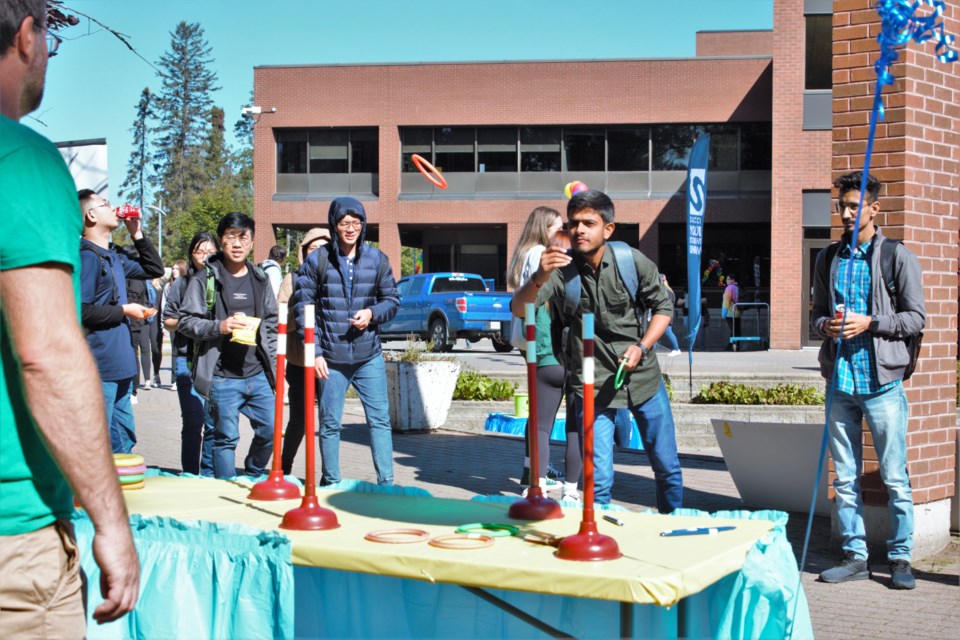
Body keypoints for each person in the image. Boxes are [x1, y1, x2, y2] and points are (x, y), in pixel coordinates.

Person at [0, 2, 139, 633]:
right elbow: (48, 353)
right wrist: (110, 523)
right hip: (15, 535)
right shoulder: (22, 161)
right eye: (52, 37)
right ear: (28, 35)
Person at [510, 189, 683, 512]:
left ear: (608, 229)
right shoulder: (561, 270)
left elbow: (663, 307)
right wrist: (540, 275)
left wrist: (642, 347)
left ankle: (670, 526)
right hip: (593, 384)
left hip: (643, 378)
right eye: (574, 223)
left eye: (589, 223)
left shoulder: (630, 261)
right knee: (598, 479)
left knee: (666, 467)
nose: (579, 230)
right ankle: (597, 539)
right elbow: (520, 309)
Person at [812, 171, 925, 590]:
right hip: (840, 381)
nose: (845, 212)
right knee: (843, 476)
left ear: (875, 209)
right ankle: (855, 555)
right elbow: (816, 313)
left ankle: (900, 558)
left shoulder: (896, 256)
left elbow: (916, 319)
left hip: (882, 386)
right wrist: (826, 325)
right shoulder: (828, 257)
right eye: (841, 205)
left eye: (854, 205)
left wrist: (871, 322)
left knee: (894, 475)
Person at [293, 197, 400, 486]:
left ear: (363, 225)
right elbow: (303, 308)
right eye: (344, 223)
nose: (350, 228)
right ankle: (331, 482)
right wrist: (314, 352)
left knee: (379, 420)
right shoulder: (318, 260)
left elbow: (392, 300)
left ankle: (386, 483)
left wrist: (372, 313)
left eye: (356, 223)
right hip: (330, 357)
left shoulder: (377, 259)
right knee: (330, 424)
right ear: (334, 225)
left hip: (369, 356)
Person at [178, 214, 279, 479]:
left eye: (243, 237)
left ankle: (254, 474)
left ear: (252, 241)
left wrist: (277, 371)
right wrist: (219, 327)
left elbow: (270, 323)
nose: (237, 243)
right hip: (222, 377)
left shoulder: (260, 278)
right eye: (231, 237)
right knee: (225, 439)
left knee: (270, 430)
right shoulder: (204, 280)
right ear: (221, 241)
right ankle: (226, 491)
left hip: (257, 374)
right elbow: (185, 322)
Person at [79, 189, 164, 452]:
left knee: (124, 442)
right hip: (98, 367)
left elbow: (155, 269)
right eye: (106, 204)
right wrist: (125, 310)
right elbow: (80, 310)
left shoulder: (114, 255)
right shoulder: (87, 256)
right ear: (91, 215)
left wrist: (136, 232)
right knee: (99, 446)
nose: (114, 207)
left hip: (122, 365)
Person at [506, 206, 564, 487]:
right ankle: (537, 474)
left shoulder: (525, 251)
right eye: (558, 228)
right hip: (540, 338)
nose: (563, 233)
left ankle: (532, 468)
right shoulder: (540, 254)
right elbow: (540, 296)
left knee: (538, 412)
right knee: (543, 416)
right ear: (544, 228)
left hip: (528, 338)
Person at [529, 230, 582, 501]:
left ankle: (536, 485)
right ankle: (571, 490)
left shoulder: (541, 285)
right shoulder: (577, 284)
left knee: (541, 428)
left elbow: (524, 313)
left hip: (545, 361)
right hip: (575, 362)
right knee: (575, 427)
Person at [163, 234, 218, 475]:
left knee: (214, 424)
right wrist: (192, 323)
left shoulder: (223, 281)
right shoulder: (182, 283)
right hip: (186, 358)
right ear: (191, 254)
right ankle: (190, 474)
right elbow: (168, 320)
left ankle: (206, 473)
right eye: (199, 251)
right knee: (194, 422)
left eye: (209, 251)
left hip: (216, 359)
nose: (205, 256)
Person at [279, 227, 331, 475]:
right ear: (304, 252)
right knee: (299, 421)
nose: (318, 253)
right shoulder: (291, 279)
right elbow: (278, 321)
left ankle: (328, 475)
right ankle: (284, 469)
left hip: (331, 363)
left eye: (323, 248)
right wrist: (302, 311)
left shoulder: (337, 278)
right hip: (300, 362)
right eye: (313, 248)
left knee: (329, 423)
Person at [658, 274, 682, 356]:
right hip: (665, 313)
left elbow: (663, 303)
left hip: (665, 314)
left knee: (667, 331)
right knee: (658, 332)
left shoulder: (665, 291)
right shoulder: (668, 290)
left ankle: (676, 349)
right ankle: (651, 350)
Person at [722, 273, 741, 350]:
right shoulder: (738, 287)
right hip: (738, 312)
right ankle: (737, 345)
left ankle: (731, 346)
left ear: (733, 280)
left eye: (728, 279)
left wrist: (723, 313)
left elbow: (726, 301)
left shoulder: (729, 288)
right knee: (737, 329)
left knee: (732, 330)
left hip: (730, 312)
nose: (726, 280)